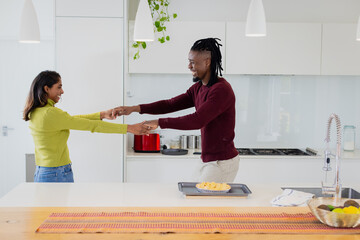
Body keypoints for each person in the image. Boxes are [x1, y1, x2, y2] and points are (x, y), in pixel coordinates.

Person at [112, 38, 240, 183]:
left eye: (193, 62)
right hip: (207, 159)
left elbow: (197, 120)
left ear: (207, 62)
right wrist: (135, 109)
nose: (189, 66)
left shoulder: (221, 90)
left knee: (201, 203)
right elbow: (170, 104)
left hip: (222, 162)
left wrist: (159, 122)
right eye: (189, 61)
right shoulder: (198, 88)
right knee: (193, 199)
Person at [23, 70, 151, 183]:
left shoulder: (39, 112)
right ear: (46, 89)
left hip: (49, 171)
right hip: (55, 173)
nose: (62, 91)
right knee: (57, 210)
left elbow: (72, 120)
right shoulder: (50, 113)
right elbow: (91, 126)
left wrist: (101, 115)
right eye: (59, 87)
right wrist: (128, 128)